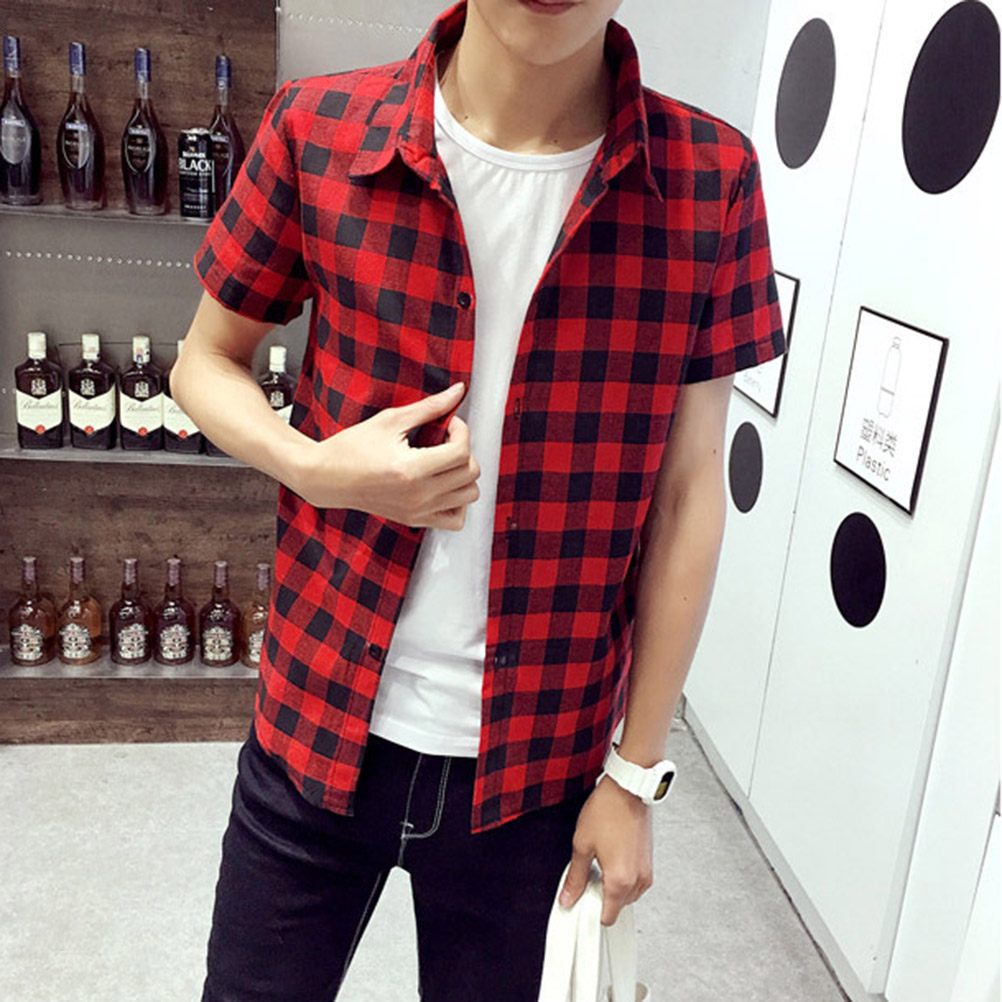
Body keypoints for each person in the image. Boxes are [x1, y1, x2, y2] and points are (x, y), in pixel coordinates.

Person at [172, 0, 786, 998]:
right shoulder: (318, 130)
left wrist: (635, 776)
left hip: (535, 777)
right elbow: (204, 360)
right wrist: (314, 466)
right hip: (315, 722)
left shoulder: (709, 181)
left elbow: (687, 495)